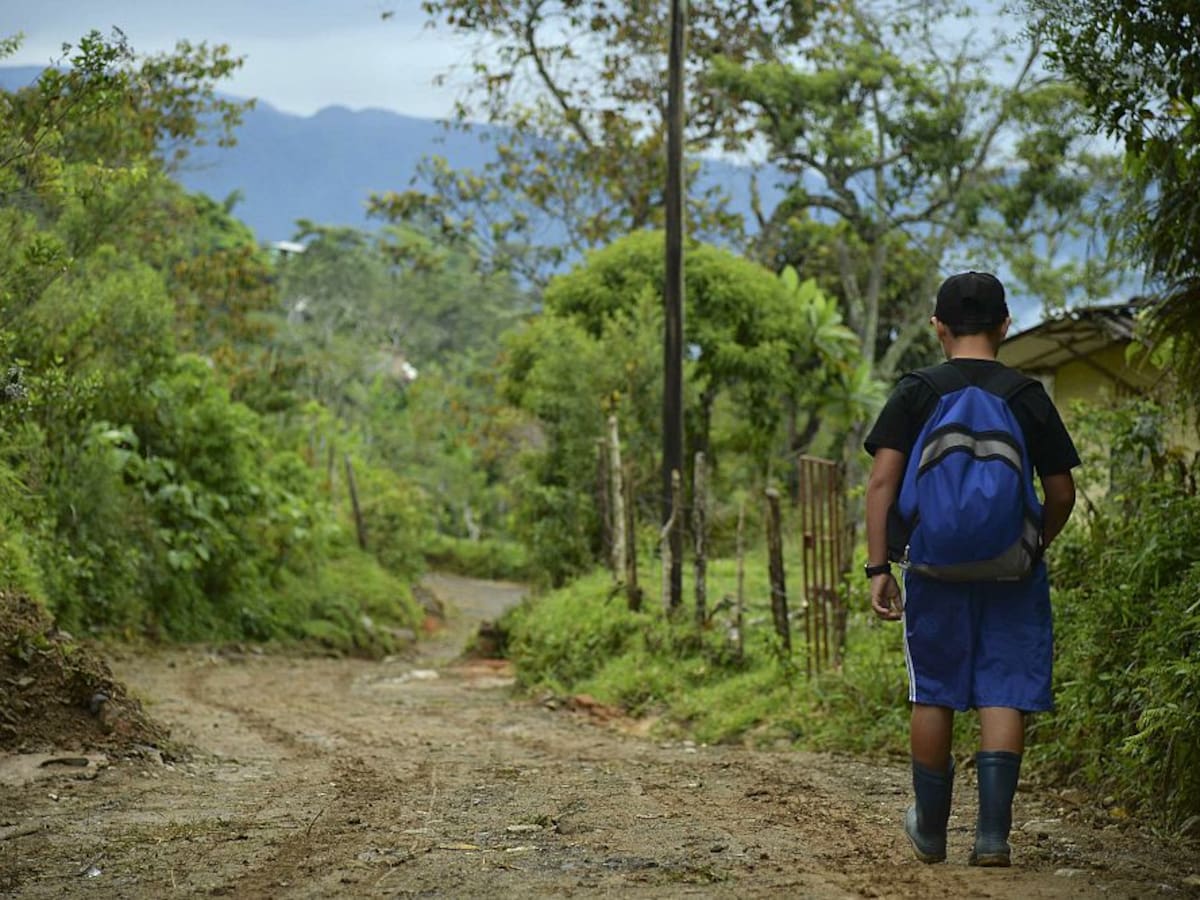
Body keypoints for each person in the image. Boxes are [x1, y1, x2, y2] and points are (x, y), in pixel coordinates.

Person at [862, 271, 1080, 867]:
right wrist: (1033, 545)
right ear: (1005, 325)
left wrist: (879, 566)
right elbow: (1061, 491)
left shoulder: (915, 391)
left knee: (932, 691)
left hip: (933, 569)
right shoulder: (1026, 394)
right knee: (1004, 690)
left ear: (937, 328)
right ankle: (991, 838)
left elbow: (881, 483)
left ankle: (930, 830)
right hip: (1013, 570)